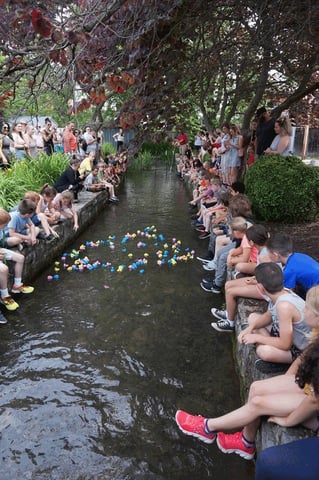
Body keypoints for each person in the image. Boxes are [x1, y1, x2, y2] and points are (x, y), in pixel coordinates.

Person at [175, 284, 319, 461]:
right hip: (311, 386)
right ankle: (246, 442)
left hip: (315, 398)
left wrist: (289, 421)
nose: (303, 310)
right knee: (257, 387)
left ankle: (208, 427)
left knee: (259, 402)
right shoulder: (316, 331)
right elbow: (306, 356)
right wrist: (286, 379)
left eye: (307, 308)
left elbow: (314, 400)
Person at [237, 262, 311, 373]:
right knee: (252, 318)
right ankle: (269, 344)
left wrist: (257, 338)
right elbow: (268, 315)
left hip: (300, 349)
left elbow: (285, 344)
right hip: (284, 334)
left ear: (260, 288)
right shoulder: (282, 292)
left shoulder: (284, 306)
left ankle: (283, 362)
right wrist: (250, 328)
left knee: (263, 351)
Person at [211, 225, 270, 332]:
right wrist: (253, 278)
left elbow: (267, 279)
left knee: (230, 292)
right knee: (228, 285)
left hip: (265, 289)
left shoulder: (264, 256)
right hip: (259, 281)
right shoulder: (264, 250)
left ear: (252, 243)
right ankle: (229, 312)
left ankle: (230, 323)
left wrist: (254, 281)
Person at [266, 233, 319, 299]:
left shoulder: (289, 270)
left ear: (276, 255)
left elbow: (288, 293)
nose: (267, 255)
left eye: (268, 252)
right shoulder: (299, 255)